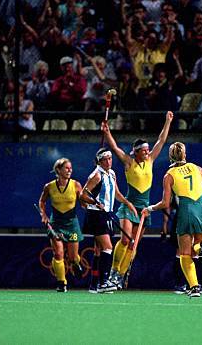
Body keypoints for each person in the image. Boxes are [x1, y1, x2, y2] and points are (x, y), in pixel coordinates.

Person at [142, 142, 202, 298]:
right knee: (198, 244)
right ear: (184, 155)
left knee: (184, 253)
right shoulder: (195, 168)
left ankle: (194, 287)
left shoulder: (169, 176)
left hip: (187, 210)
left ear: (170, 156)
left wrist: (149, 209)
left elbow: (165, 203)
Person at [101, 111, 174, 288]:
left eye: (148, 150)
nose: (148, 152)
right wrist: (107, 132)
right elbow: (116, 148)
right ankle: (113, 272)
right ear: (136, 152)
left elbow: (161, 141)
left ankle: (119, 276)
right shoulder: (128, 162)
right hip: (129, 206)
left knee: (133, 245)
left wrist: (167, 122)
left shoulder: (150, 161)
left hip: (144, 209)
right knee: (125, 240)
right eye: (144, 151)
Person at [80, 148, 138, 293]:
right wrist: (94, 203)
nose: (108, 161)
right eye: (105, 159)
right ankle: (104, 282)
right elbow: (82, 195)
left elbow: (116, 193)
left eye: (110, 158)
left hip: (106, 214)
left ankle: (94, 285)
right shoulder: (96, 175)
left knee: (99, 251)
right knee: (108, 248)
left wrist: (127, 203)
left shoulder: (111, 173)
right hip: (96, 215)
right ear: (99, 161)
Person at [38, 158, 85, 292]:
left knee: (73, 257)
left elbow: (82, 201)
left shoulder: (76, 185)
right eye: (66, 168)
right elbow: (42, 201)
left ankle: (76, 263)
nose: (70, 170)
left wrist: (88, 205)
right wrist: (44, 215)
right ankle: (61, 283)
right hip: (56, 224)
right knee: (58, 253)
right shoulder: (49, 186)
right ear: (58, 170)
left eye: (71, 168)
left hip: (72, 223)